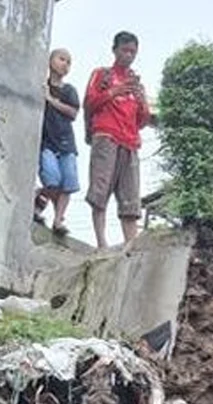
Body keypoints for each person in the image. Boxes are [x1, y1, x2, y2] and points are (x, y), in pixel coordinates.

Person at [84, 30, 153, 251]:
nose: (129, 55)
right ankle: (101, 242)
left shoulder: (136, 84)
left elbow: (142, 121)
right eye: (125, 50)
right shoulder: (102, 75)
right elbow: (90, 104)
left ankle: (130, 246)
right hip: (106, 137)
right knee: (100, 191)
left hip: (130, 143)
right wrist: (114, 91)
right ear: (115, 50)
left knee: (131, 198)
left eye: (133, 51)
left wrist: (142, 101)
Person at [35, 48, 80, 238]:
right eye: (62, 59)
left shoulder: (69, 90)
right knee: (52, 178)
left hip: (66, 143)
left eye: (68, 62)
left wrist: (51, 100)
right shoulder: (40, 85)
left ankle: (58, 219)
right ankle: (38, 195)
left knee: (69, 182)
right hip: (46, 142)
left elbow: (73, 113)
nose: (65, 64)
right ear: (50, 61)